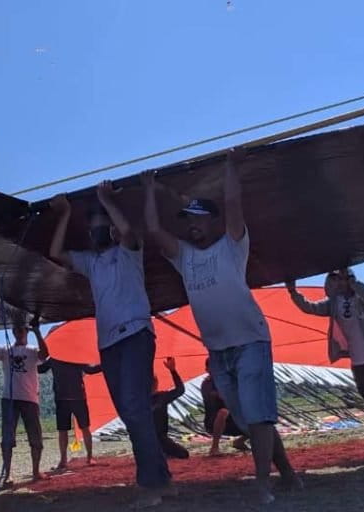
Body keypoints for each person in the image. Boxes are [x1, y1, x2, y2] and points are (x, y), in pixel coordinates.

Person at [142, 148, 300, 505]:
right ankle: (288, 474)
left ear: (214, 221)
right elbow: (153, 229)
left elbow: (233, 202)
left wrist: (231, 165)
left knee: (258, 417)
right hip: (218, 351)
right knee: (249, 420)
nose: (191, 224)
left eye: (197, 218)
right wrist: (149, 187)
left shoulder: (232, 245)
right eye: (188, 220)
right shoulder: (184, 257)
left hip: (250, 341)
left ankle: (263, 483)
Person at [49, 182, 173, 507]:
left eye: (102, 227)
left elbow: (130, 232)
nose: (97, 233)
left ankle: (151, 486)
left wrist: (106, 200)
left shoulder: (129, 252)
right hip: (109, 343)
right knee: (133, 411)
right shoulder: (91, 262)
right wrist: (63, 215)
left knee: (134, 408)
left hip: (135, 334)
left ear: (112, 230)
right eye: (93, 230)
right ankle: (162, 478)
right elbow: (56, 253)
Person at [286, 269, 364, 461]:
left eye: (343, 277)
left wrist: (353, 282)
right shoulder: (334, 303)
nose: (339, 282)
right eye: (335, 278)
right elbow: (309, 307)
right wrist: (293, 292)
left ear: (350, 279)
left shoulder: (363, 299)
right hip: (358, 361)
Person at [0, 314, 49, 485]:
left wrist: (38, 332)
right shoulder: (5, 349)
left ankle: (35, 471)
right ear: (12, 331)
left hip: (30, 399)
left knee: (36, 437)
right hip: (9, 399)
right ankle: (8, 474)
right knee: (7, 439)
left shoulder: (32, 351)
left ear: (26, 331)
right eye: (16, 329)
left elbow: (45, 354)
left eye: (22, 329)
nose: (19, 332)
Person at [37, 356, 102, 469]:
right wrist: (27, 360)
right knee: (63, 430)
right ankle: (63, 460)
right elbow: (40, 369)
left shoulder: (75, 356)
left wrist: (106, 362)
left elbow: (90, 370)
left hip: (78, 398)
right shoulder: (54, 359)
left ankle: (89, 457)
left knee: (84, 427)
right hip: (62, 400)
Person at [200, 358, 249, 456]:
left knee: (256, 416)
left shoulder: (229, 381)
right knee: (223, 412)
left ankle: (240, 441)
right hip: (213, 422)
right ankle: (214, 448)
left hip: (233, 421)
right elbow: (222, 396)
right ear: (207, 369)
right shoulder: (207, 384)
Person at [151, 357, 189, 459]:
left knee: (183, 454)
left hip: (161, 438)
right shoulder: (139, 399)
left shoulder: (161, 397)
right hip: (147, 438)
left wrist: (173, 370)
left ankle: (161, 452)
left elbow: (180, 390)